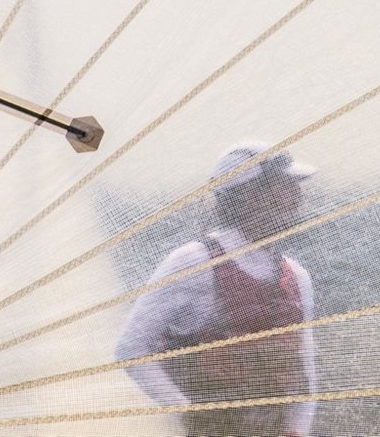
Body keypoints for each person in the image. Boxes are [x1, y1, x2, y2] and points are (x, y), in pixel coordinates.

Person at [116, 141, 318, 437]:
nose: (297, 195)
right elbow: (130, 349)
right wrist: (189, 413)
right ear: (250, 196)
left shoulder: (297, 276)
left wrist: (297, 431)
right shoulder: (193, 262)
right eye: (285, 186)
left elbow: (305, 371)